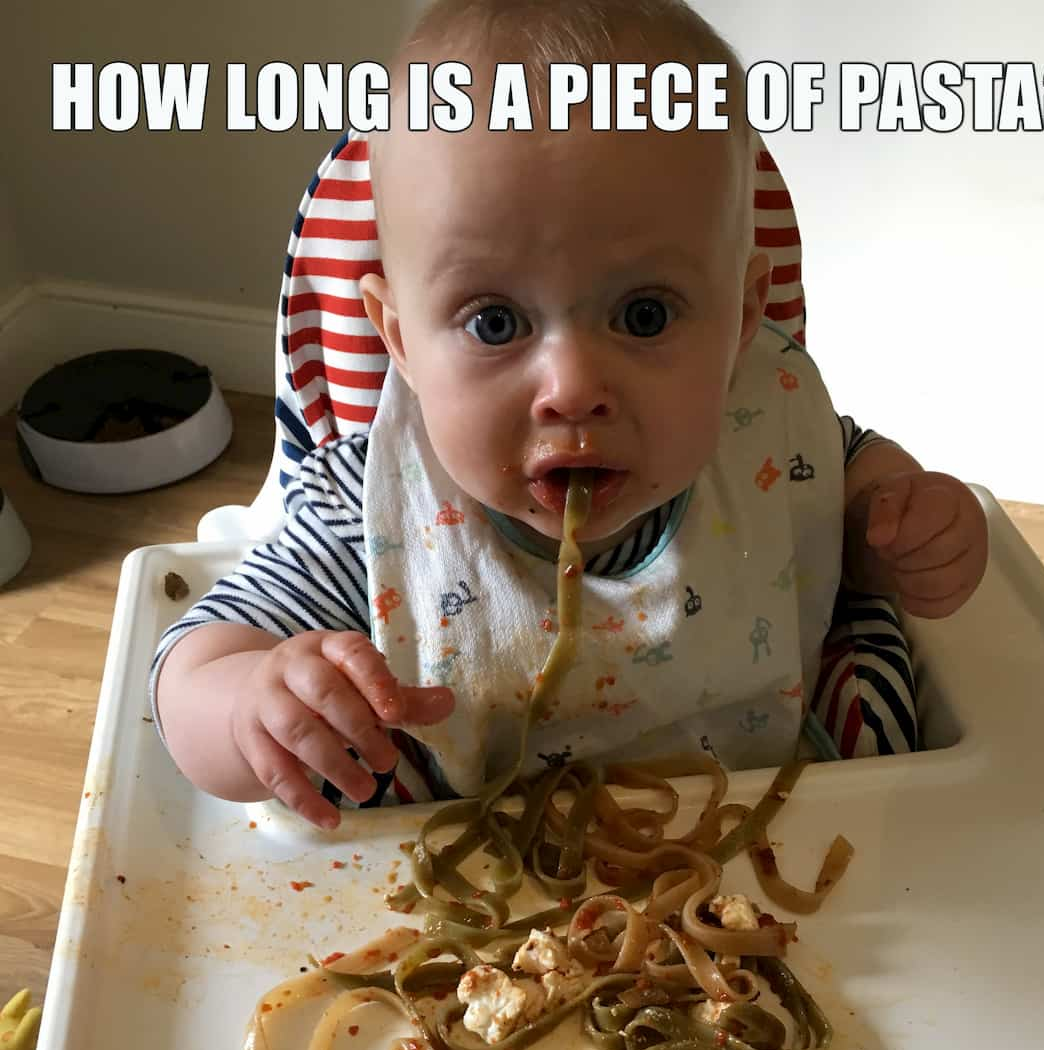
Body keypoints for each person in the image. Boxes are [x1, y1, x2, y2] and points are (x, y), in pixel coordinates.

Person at [152, 0, 988, 829]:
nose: (572, 386)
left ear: (739, 326)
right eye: (494, 322)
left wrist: (906, 530)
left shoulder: (767, 439)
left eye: (645, 315)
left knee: (877, 670)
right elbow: (192, 666)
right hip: (479, 888)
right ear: (400, 342)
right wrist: (249, 710)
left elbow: (856, 493)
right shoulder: (372, 512)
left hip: (766, 840)